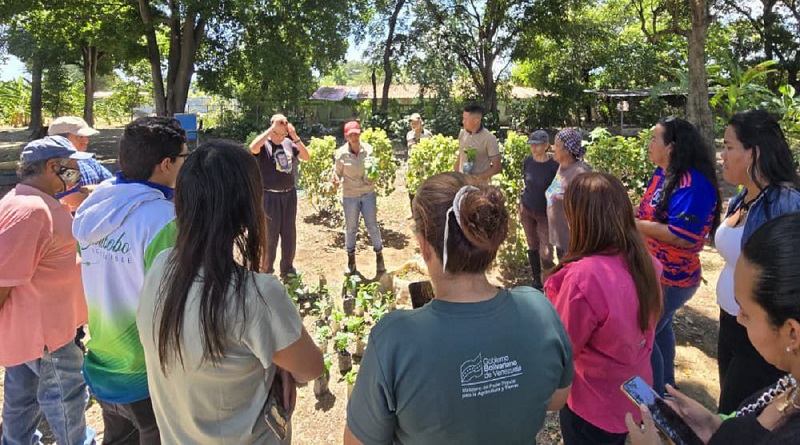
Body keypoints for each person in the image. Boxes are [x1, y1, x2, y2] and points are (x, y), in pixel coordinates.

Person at [344, 172, 574, 444]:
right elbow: (558, 398)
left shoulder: (393, 340)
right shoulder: (540, 311)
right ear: (491, 241)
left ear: (423, 245)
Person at [137, 140, 324, 442]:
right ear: (248, 208)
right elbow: (311, 366)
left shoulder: (160, 268)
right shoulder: (255, 295)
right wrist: (279, 368)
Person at [626, 213, 800, 445]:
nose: (739, 319)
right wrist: (714, 426)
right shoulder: (792, 381)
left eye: (746, 312)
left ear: (792, 333)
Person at [72, 117, 188, 444]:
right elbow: (176, 303)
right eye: (184, 158)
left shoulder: (95, 208)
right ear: (166, 164)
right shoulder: (163, 221)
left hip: (102, 366)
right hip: (145, 375)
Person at [545, 172, 662, 445]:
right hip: (633, 393)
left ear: (579, 218)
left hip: (593, 403)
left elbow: (563, 347)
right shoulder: (645, 262)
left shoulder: (583, 278)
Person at [0, 136, 95, 444]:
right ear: (53, 166)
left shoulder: (27, 202)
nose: (75, 174)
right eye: (70, 168)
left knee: (22, 399)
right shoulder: (32, 210)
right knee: (65, 398)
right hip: (47, 334)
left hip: (31, 330)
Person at [715, 109, 800, 413]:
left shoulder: (786, 203)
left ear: (754, 153)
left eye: (728, 146)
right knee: (731, 406)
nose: (721, 155)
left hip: (760, 335)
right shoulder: (742, 198)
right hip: (731, 323)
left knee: (738, 415)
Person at [635, 117, 721, 397]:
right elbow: (647, 213)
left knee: (646, 338)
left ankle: (657, 399)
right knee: (660, 331)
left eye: (653, 139)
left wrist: (630, 223)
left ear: (671, 147)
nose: (648, 144)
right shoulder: (662, 173)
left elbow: (682, 235)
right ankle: (668, 390)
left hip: (673, 278)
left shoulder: (691, 182)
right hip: (655, 272)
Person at [248, 113, 310, 277]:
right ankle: (266, 269)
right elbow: (252, 147)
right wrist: (271, 129)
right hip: (269, 197)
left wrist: (294, 136)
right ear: (271, 130)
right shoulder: (265, 145)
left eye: (283, 133)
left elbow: (306, 156)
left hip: (289, 196)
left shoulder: (289, 143)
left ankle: (288, 268)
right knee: (270, 234)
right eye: (278, 133)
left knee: (289, 233)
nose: (281, 136)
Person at [333, 120, 386, 276]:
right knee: (351, 228)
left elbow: (374, 169)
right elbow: (337, 172)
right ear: (346, 136)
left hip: (368, 193)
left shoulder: (368, 150)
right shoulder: (341, 154)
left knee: (372, 226)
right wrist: (335, 180)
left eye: (356, 134)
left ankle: (379, 257)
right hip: (350, 196)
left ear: (360, 133)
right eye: (351, 135)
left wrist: (374, 177)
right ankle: (351, 261)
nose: (354, 137)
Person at [520, 129, 559, 289]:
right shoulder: (528, 162)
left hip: (544, 213)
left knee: (546, 251)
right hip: (527, 208)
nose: (534, 148)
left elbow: (557, 190)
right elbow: (525, 182)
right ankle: (536, 281)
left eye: (537, 145)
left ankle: (549, 283)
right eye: (531, 145)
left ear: (546, 146)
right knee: (532, 244)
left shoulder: (553, 166)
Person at [48, 116, 113, 211]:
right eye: (80, 137)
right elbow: (73, 200)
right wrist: (100, 190)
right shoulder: (53, 168)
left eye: (85, 137)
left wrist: (90, 189)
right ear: (60, 139)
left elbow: (113, 185)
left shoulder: (89, 161)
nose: (86, 141)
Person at [545, 128, 590, 258]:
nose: (553, 148)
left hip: (574, 246)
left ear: (567, 150)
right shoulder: (562, 167)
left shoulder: (580, 173)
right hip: (561, 242)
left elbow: (587, 211)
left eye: (557, 145)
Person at [453, 104, 501, 182]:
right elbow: (461, 156)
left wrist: (477, 178)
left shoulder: (489, 138)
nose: (462, 122)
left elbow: (497, 167)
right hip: (462, 184)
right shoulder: (462, 134)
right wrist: (455, 175)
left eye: (465, 119)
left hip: (480, 188)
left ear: (476, 120)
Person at [405, 113, 433, 211]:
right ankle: (413, 211)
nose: (413, 125)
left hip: (424, 166)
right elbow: (411, 147)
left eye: (415, 122)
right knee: (411, 189)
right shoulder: (409, 134)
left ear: (421, 122)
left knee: (424, 188)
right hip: (412, 165)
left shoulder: (428, 134)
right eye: (412, 123)